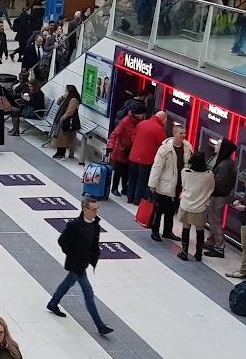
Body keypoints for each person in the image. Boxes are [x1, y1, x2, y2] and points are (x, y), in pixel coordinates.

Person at [46, 196, 114, 335]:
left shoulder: (95, 224)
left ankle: (53, 303)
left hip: (84, 263)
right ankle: (100, 325)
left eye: (97, 209)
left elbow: (93, 244)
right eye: (93, 209)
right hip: (76, 264)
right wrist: (73, 254)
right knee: (88, 292)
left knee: (68, 282)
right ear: (85, 209)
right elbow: (62, 241)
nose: (96, 212)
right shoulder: (74, 225)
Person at [148, 122, 188, 241]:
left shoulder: (187, 147)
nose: (183, 135)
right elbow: (157, 167)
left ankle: (167, 231)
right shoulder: (165, 148)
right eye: (181, 133)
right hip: (164, 184)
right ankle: (155, 231)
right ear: (174, 134)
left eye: (185, 133)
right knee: (159, 210)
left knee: (171, 210)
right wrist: (153, 184)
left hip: (178, 185)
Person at [178, 151, 215, 262]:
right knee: (200, 230)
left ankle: (184, 252)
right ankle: (198, 253)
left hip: (186, 205)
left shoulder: (185, 172)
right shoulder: (209, 175)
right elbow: (211, 188)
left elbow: (183, 185)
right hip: (201, 207)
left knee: (186, 228)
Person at [127, 110, 167, 204]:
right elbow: (162, 146)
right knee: (142, 180)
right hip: (147, 159)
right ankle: (137, 200)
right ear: (163, 119)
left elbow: (133, 138)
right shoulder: (159, 129)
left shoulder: (141, 123)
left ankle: (130, 198)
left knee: (132, 178)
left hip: (133, 156)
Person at [207, 140, 236, 259]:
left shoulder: (224, 165)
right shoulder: (226, 162)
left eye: (218, 145)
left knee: (215, 222)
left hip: (217, 196)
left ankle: (219, 247)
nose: (215, 146)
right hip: (218, 195)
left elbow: (219, 183)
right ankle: (211, 242)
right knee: (213, 220)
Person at [48, 85, 81, 159]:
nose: (65, 92)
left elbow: (70, 111)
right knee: (59, 138)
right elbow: (58, 102)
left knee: (63, 138)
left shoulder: (73, 100)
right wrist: (63, 96)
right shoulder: (66, 99)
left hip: (66, 122)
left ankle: (61, 153)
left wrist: (62, 118)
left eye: (66, 91)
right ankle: (59, 151)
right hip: (61, 121)